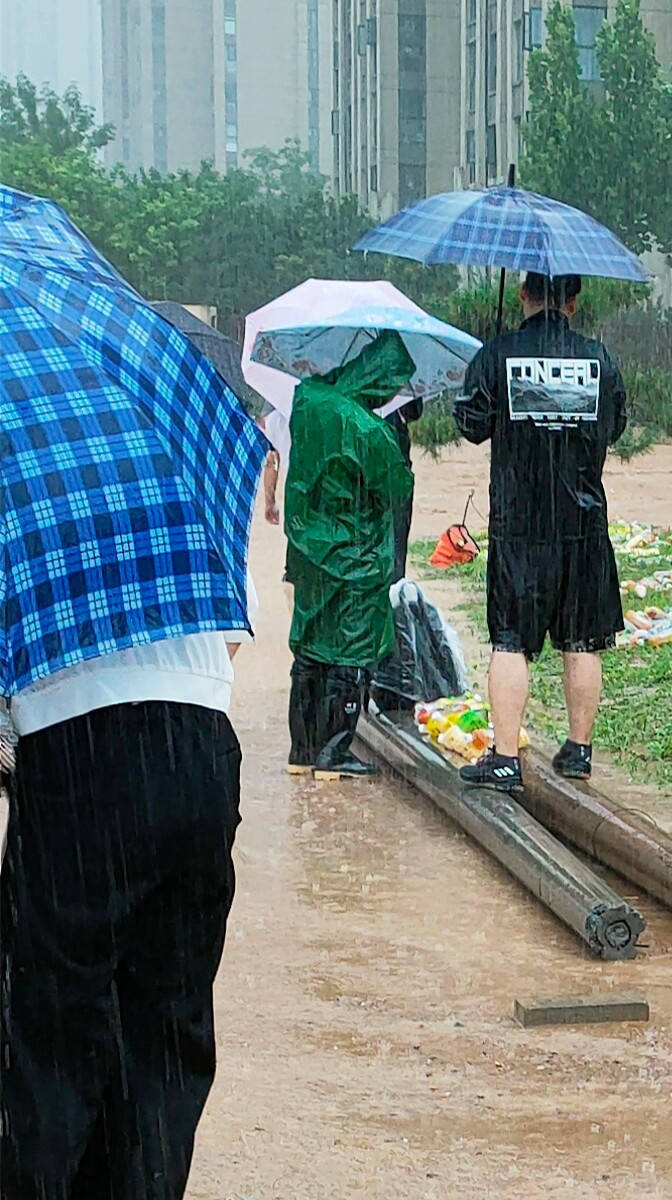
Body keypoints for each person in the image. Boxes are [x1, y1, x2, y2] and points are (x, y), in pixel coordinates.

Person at [1, 610, 251, 1198]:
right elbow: (236, 635)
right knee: (166, 1027)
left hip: (75, 752)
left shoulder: (23, 520)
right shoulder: (188, 517)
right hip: (198, 751)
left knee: (48, 1030)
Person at [454, 272, 627, 794]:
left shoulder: (499, 353)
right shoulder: (598, 359)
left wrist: (494, 365)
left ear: (523, 296)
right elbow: (615, 425)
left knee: (511, 641)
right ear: (573, 302)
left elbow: (470, 424)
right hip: (582, 525)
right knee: (582, 639)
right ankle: (578, 752)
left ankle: (505, 758)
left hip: (520, 526)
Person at [284, 330, 417, 779]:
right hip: (355, 555)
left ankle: (302, 750)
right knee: (349, 649)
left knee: (310, 644)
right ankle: (334, 752)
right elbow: (398, 486)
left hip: (309, 549)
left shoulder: (310, 401)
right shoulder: (369, 429)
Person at [386, 396, 424, 582]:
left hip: (396, 469)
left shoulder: (398, 372)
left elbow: (414, 411)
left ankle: (394, 600)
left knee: (396, 546)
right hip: (360, 470)